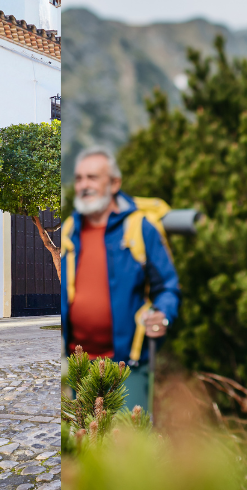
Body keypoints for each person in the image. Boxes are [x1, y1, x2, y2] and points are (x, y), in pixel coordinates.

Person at [60, 146, 179, 414]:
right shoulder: (70, 229)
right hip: (79, 365)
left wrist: (163, 315)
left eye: (92, 177)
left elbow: (168, 287)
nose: (84, 185)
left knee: (129, 437)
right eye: (79, 178)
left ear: (114, 183)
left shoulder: (140, 227)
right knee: (84, 438)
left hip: (128, 365)